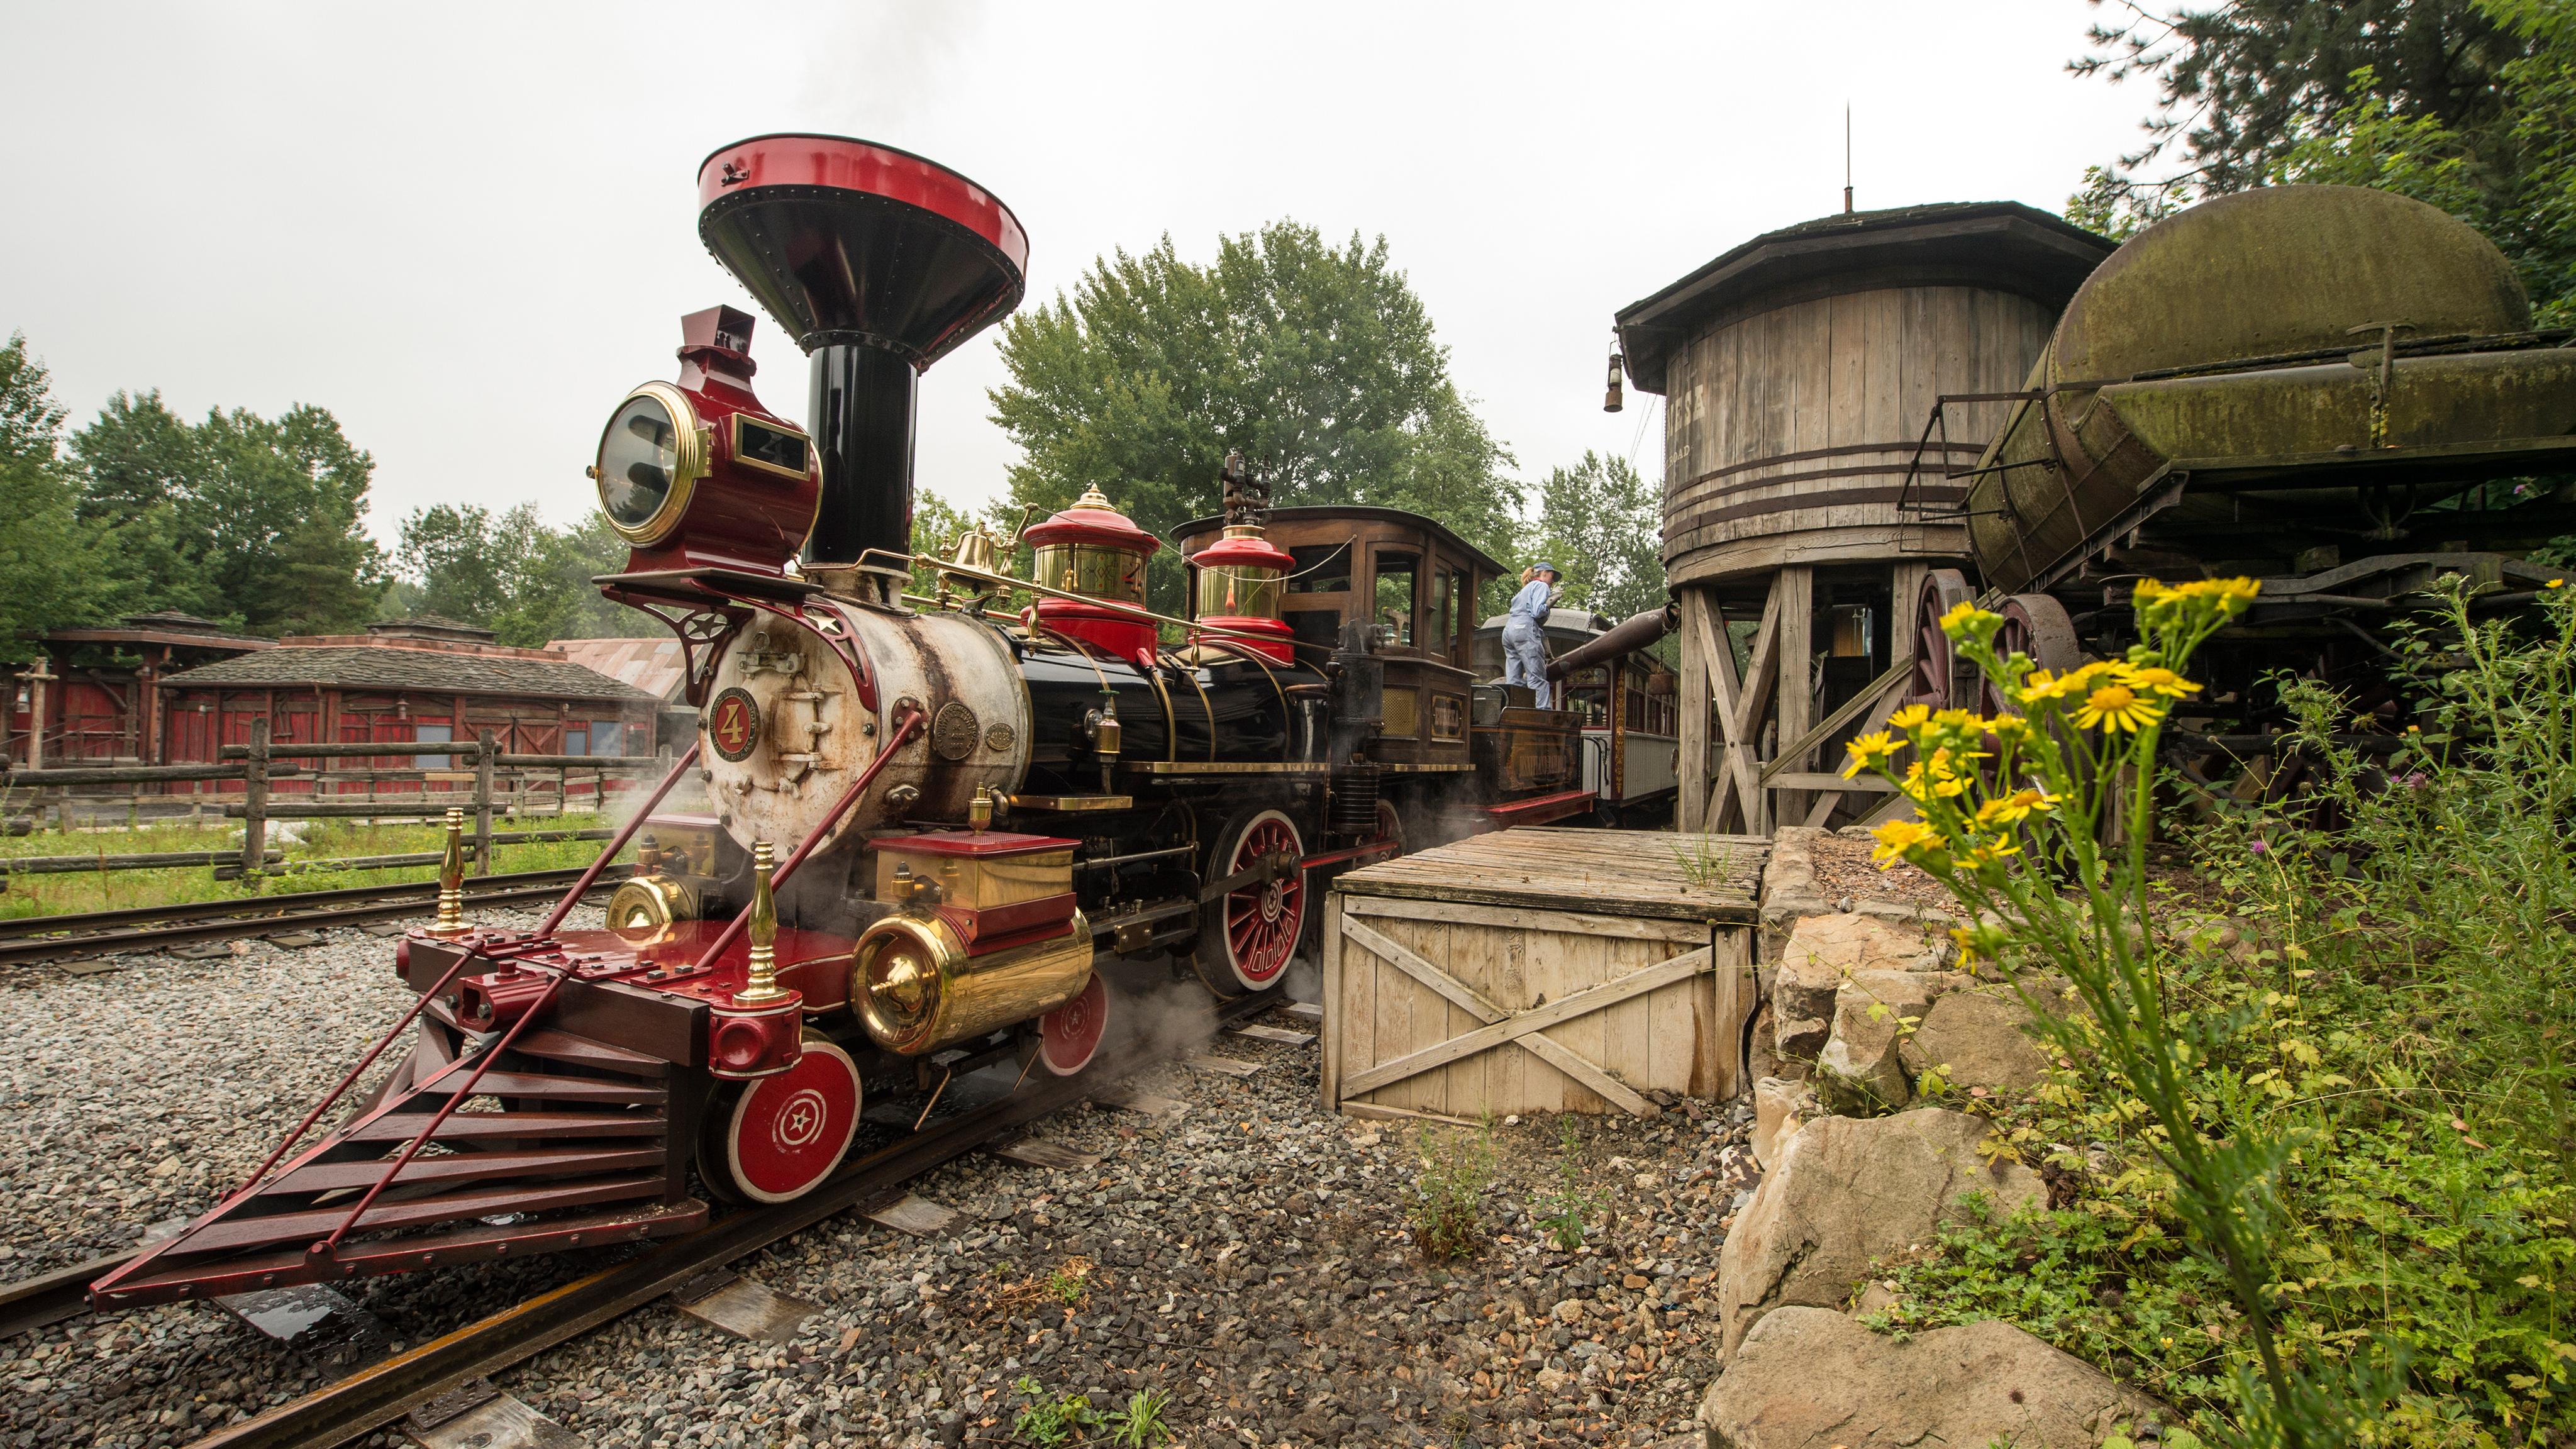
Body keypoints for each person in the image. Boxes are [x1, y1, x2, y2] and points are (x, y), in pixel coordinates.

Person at [1502, 563, 1561, 709]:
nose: (1552, 581)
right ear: (1545, 573)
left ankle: (1514, 711)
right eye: (1552, 576)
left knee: (1514, 681)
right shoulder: (1542, 586)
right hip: (1525, 631)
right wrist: (1551, 601)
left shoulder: (1524, 590)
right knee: (1538, 679)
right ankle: (1542, 716)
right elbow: (1538, 612)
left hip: (1509, 631)